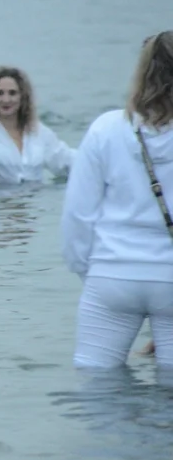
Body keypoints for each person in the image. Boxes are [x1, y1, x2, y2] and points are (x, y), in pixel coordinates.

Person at [62, 31, 173, 368]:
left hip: (112, 275)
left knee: (97, 382)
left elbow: (77, 216)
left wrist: (91, 271)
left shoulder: (106, 128)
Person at [0, 66, 75, 185]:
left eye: (12, 93)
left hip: (35, 201)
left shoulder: (40, 132)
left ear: (23, 97)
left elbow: (68, 163)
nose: (6, 99)